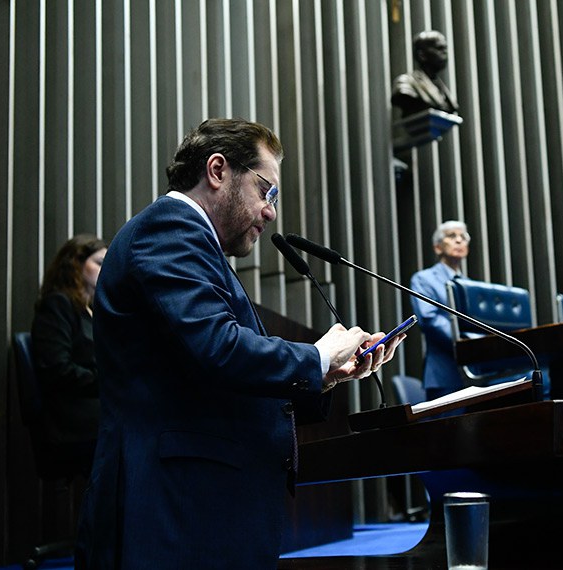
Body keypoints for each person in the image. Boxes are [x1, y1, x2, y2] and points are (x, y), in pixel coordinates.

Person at [75, 119, 402, 569]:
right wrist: (320, 353)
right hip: (174, 507)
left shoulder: (192, 243)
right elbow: (219, 348)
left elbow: (204, 372)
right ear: (217, 170)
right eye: (266, 190)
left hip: (198, 501)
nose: (270, 212)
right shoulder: (170, 228)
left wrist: (325, 375)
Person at [31, 234, 107, 475]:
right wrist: (108, 382)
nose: (106, 269)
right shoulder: (58, 305)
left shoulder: (93, 311)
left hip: (96, 411)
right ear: (76, 263)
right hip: (72, 420)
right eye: (99, 262)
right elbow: (56, 370)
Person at [409, 220, 470, 400]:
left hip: (476, 372)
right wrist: (469, 344)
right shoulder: (424, 279)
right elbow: (430, 320)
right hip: (444, 375)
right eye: (452, 236)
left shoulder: (468, 284)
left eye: (463, 237)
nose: (459, 241)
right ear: (437, 247)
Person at [391, 30, 459, 118]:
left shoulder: (444, 91)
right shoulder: (405, 83)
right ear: (421, 55)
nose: (444, 52)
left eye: (445, 48)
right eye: (439, 48)